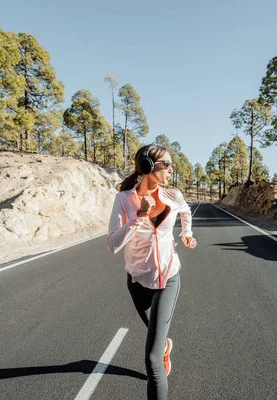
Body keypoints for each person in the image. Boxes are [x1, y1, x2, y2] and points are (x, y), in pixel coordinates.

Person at [107, 144, 197, 400]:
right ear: (147, 166)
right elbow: (113, 244)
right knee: (157, 336)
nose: (171, 168)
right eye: (166, 164)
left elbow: (186, 212)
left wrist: (187, 234)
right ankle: (166, 344)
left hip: (169, 278)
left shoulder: (173, 196)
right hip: (137, 281)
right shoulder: (124, 200)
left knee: (152, 359)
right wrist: (139, 216)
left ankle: (161, 351)